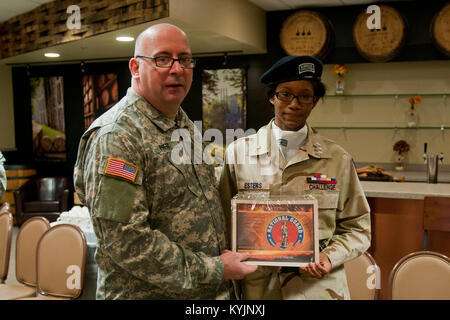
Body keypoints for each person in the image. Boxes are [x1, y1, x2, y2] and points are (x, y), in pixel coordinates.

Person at [74, 23, 256, 300]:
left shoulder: (183, 125)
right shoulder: (118, 136)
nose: (177, 69)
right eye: (162, 59)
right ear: (136, 68)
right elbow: (126, 241)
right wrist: (214, 269)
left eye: (184, 59)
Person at [219, 56, 371, 300]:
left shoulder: (337, 160)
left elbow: (358, 227)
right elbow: (221, 221)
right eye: (285, 94)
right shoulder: (238, 154)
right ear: (272, 97)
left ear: (315, 100)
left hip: (317, 289)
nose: (294, 104)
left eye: (304, 96)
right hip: (257, 287)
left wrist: (329, 256)